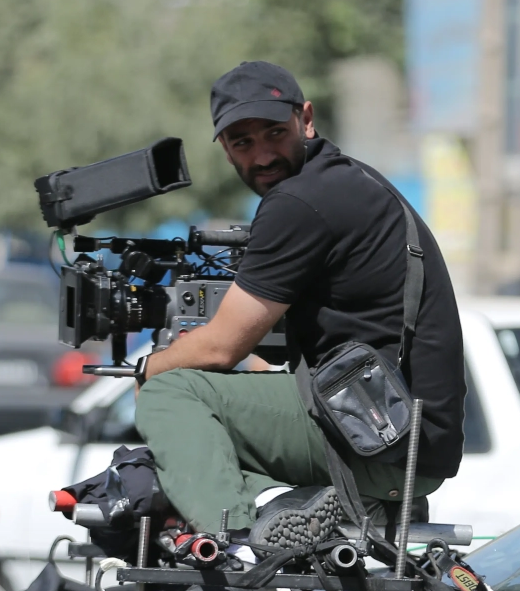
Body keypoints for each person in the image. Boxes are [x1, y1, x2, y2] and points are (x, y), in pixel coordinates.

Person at [133, 61, 465, 547]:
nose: (263, 155)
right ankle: (282, 509)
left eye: (274, 132)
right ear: (226, 149)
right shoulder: (351, 180)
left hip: (381, 443)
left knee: (171, 394)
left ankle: (241, 540)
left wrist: (150, 368)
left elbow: (222, 347)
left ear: (305, 120)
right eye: (242, 142)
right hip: (406, 437)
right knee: (215, 427)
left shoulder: (298, 202)